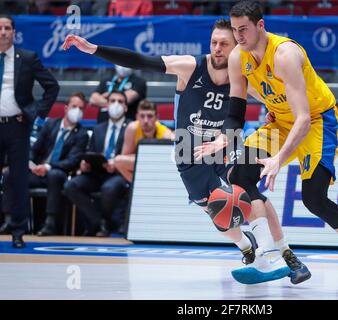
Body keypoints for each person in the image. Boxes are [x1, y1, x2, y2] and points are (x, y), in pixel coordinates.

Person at [62, 19, 310, 285]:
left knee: (250, 189)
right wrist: (93, 49)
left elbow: (275, 99)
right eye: (214, 42)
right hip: (188, 150)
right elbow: (142, 61)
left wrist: (274, 113)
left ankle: (281, 254)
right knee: (219, 213)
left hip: (225, 144)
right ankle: (247, 247)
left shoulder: (242, 75)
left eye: (224, 44)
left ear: (235, 46)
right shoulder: (190, 67)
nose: (217, 48)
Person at [194, 0, 338, 293]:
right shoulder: (237, 58)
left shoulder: (285, 54)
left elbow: (303, 118)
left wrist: (279, 158)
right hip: (280, 122)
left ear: (260, 25)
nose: (239, 36)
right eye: (235, 30)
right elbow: (235, 113)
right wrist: (222, 138)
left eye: (244, 29)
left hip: (319, 122)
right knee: (239, 175)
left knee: (313, 198)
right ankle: (266, 254)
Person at [0, 15, 59, 248]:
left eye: (7, 28)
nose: (2, 32)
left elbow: (52, 86)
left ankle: (17, 231)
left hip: (17, 126)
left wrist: (36, 113)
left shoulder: (27, 58)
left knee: (18, 179)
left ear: (14, 32)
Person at [2, 92, 89, 236]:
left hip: (59, 173)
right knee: (10, 174)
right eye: (74, 106)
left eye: (81, 108)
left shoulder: (82, 134)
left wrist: (48, 167)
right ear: (66, 108)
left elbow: (73, 160)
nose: (77, 111)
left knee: (54, 175)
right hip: (37, 171)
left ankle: (50, 223)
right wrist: (30, 164)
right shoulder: (50, 124)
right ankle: (9, 220)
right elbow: (34, 149)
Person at [64, 91, 130, 237]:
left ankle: (105, 223)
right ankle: (99, 222)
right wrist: (85, 163)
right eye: (112, 101)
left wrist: (117, 163)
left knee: (109, 188)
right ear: (107, 105)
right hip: (96, 172)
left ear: (126, 107)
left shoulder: (130, 127)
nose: (116, 105)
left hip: (118, 174)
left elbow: (131, 153)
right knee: (71, 185)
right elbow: (90, 151)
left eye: (120, 102)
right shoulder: (98, 127)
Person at [115, 99, 174, 183]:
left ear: (157, 117)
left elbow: (170, 162)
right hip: (141, 165)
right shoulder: (132, 128)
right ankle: (138, 184)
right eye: (142, 116)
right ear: (137, 117)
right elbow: (125, 156)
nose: (145, 121)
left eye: (150, 116)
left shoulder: (166, 134)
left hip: (158, 167)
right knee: (118, 161)